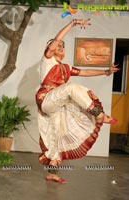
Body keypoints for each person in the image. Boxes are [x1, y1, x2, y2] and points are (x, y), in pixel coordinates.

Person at [35, 19, 119, 183]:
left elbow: (86, 72)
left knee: (56, 136)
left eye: (62, 47)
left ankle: (52, 173)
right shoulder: (48, 59)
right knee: (72, 88)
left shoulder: (66, 68)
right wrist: (72, 24)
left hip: (57, 104)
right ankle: (99, 114)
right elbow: (57, 40)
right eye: (56, 46)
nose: (60, 47)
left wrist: (106, 72)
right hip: (46, 98)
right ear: (49, 49)